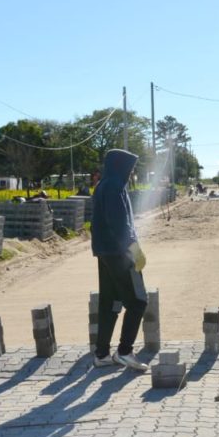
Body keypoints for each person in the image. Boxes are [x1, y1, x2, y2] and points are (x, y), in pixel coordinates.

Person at [91, 149, 149, 372]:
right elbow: (119, 223)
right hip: (120, 253)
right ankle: (124, 351)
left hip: (105, 253)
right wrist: (134, 250)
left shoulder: (102, 185)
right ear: (120, 166)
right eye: (130, 167)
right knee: (138, 301)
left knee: (111, 302)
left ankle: (102, 354)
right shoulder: (115, 186)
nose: (131, 172)